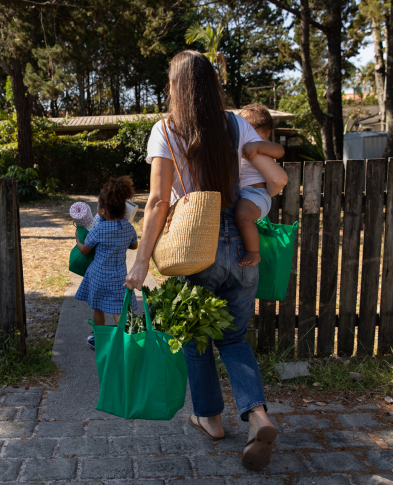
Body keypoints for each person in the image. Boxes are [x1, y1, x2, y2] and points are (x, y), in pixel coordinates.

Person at [125, 50, 288, 471]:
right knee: (233, 339)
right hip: (240, 244)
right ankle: (258, 415)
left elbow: (159, 201)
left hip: (195, 247)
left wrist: (141, 262)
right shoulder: (235, 123)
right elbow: (270, 171)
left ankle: (210, 420)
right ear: (212, 84)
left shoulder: (166, 128)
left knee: (197, 339)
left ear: (175, 85)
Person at [75, 176, 139, 348]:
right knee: (118, 310)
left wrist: (77, 239)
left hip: (98, 276)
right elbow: (134, 246)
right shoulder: (128, 228)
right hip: (118, 278)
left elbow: (85, 250)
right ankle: (124, 340)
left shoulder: (99, 229)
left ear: (103, 211)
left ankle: (100, 339)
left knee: (98, 308)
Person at [235, 103, 284, 267]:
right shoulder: (239, 144)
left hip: (255, 193)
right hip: (242, 194)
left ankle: (254, 252)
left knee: (243, 215)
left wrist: (258, 145)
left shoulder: (263, 146)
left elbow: (280, 151)